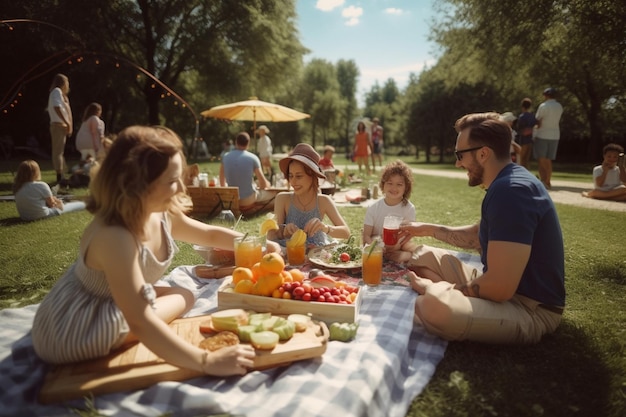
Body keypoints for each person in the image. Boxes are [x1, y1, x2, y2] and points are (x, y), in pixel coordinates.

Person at [30, 126, 282, 376]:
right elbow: (140, 321)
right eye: (173, 182)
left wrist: (258, 245)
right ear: (137, 184)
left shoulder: (159, 212)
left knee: (186, 294)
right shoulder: (116, 236)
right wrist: (206, 361)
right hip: (75, 324)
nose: (182, 190)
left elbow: (209, 234)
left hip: (111, 298)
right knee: (166, 307)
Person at [399, 112, 565, 344]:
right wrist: (427, 229)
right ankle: (447, 294)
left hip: (529, 307)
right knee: (421, 254)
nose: (458, 163)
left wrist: (441, 289)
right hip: (503, 286)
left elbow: (500, 288)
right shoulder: (505, 182)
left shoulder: (511, 191)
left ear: (483, 153)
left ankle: (441, 294)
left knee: (433, 306)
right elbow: (477, 237)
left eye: (460, 155)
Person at [268, 143, 350, 247]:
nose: (293, 182)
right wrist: (284, 230)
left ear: (312, 175)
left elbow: (346, 232)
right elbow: (274, 236)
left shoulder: (323, 201)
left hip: (317, 254)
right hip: (291, 255)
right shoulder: (282, 199)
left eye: (299, 176)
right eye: (290, 176)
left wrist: (325, 228)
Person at [363, 160, 417, 263]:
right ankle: (388, 256)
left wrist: (395, 247)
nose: (394, 188)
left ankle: (397, 256)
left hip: (399, 246)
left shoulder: (409, 208)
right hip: (377, 244)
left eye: (399, 184)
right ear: (383, 185)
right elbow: (366, 236)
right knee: (369, 242)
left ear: (406, 188)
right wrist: (375, 247)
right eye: (390, 183)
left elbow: (407, 237)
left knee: (413, 250)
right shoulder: (373, 207)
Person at [13, 159, 86, 221]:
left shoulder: (18, 187)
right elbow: (52, 204)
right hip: (42, 215)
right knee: (78, 205)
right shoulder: (40, 185)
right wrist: (59, 202)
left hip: (24, 217)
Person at [219, 131, 275, 211]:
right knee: (274, 195)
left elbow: (222, 182)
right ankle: (255, 209)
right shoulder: (253, 158)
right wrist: (268, 184)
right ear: (248, 144)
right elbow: (263, 184)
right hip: (247, 200)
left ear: (236, 142)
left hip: (231, 200)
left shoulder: (225, 157)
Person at [534, 87, 563, 189]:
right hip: (555, 134)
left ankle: (546, 180)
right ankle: (546, 180)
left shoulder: (544, 106)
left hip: (543, 134)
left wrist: (534, 132)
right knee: (548, 159)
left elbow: (538, 120)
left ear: (545, 95)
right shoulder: (559, 106)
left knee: (542, 159)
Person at [47, 73, 73, 185]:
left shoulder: (61, 95)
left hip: (61, 125)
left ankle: (62, 174)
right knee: (58, 152)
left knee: (60, 151)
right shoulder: (56, 92)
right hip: (58, 124)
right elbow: (57, 107)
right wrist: (67, 122)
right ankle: (59, 176)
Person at [515, 98, 537, 169]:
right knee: (526, 160)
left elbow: (519, 128)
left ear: (522, 106)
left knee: (520, 159)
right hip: (530, 139)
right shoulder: (533, 116)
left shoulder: (522, 116)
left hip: (522, 140)